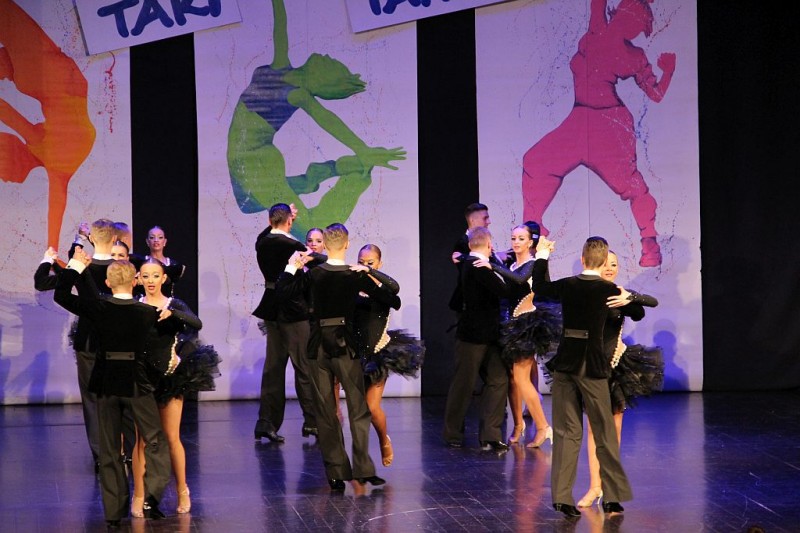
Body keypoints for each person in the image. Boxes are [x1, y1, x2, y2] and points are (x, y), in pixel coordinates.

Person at [227, 0, 405, 239]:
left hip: (257, 161)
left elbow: (327, 119)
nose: (327, 56)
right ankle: (318, 175)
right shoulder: (281, 65)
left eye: (331, 65)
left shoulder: (297, 93)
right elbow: (281, 25)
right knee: (247, 203)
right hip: (243, 159)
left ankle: (354, 177)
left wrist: (362, 150)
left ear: (322, 80)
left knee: (312, 230)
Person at [521, 0, 676, 267]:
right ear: (619, 14)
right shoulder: (599, 30)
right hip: (581, 119)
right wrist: (668, 71)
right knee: (536, 161)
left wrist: (669, 71)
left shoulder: (626, 50)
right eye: (631, 18)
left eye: (637, 24)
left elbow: (656, 93)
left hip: (608, 124)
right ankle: (532, 235)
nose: (632, 27)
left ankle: (649, 242)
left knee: (630, 184)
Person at [276, 223, 400, 490]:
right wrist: (369, 271)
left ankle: (336, 473)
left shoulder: (314, 274)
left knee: (325, 411)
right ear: (347, 244)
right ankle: (363, 469)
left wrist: (292, 266)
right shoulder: (354, 275)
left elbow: (282, 290)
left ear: (326, 244)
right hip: (346, 347)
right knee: (358, 409)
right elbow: (393, 295)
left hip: (318, 347)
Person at [54, 254, 171, 527]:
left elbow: (61, 295)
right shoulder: (147, 312)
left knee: (109, 449)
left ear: (107, 282)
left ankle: (113, 512)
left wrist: (75, 266)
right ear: (135, 282)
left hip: (106, 382)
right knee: (154, 439)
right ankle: (151, 497)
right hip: (136, 383)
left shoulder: (99, 307)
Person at [531, 236, 633, 517]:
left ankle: (562, 498)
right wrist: (630, 298)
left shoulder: (568, 285)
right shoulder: (608, 290)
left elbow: (539, 288)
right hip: (593, 368)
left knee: (566, 432)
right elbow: (637, 310)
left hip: (566, 365)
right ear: (602, 261)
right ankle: (611, 497)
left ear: (583, 259)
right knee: (604, 432)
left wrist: (542, 256)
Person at [130, 258, 220, 517]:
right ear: (138, 279)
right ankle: (139, 493)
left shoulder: (174, 304)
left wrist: (174, 315)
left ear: (163, 278)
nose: (150, 281)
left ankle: (182, 489)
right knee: (142, 440)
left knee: (171, 437)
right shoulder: (135, 305)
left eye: (155, 275)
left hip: (170, 378)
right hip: (142, 379)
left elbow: (196, 323)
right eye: (145, 276)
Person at [576, 250, 663, 507]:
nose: (610, 268)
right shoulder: (587, 292)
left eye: (614, 264)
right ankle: (595, 487)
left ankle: (610, 488)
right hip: (591, 368)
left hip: (616, 366)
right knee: (594, 429)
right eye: (605, 264)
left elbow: (645, 308)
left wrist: (630, 297)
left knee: (613, 431)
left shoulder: (618, 293)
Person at [475, 222, 561, 448]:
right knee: (514, 380)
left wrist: (492, 265)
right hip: (512, 325)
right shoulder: (512, 264)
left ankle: (543, 427)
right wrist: (492, 260)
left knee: (522, 379)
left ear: (530, 242)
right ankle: (518, 425)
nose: (516, 242)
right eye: (513, 238)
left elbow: (520, 279)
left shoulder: (532, 264)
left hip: (527, 325)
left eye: (521, 238)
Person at [253, 203, 318, 442]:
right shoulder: (294, 247)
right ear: (290, 221)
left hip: (272, 308)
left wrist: (281, 218)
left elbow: (264, 234)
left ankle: (266, 422)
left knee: (273, 368)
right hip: (293, 310)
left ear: (270, 221)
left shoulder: (263, 243)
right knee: (304, 367)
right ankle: (312, 422)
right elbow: (311, 270)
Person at [354, 244, 424, 467]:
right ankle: (359, 456)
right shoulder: (352, 284)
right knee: (357, 409)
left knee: (372, 407)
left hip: (378, 353)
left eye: (370, 262)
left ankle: (384, 440)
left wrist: (369, 273)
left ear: (379, 264)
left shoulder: (384, 289)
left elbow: (395, 293)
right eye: (361, 262)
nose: (365, 266)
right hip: (354, 353)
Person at [442, 227, 509, 451]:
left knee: (497, 380)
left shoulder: (468, 262)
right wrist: (495, 265)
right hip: (474, 336)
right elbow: (504, 290)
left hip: (486, 335)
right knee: (465, 384)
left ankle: (489, 435)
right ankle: (454, 434)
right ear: (489, 246)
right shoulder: (479, 266)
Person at [449, 203, 492, 313]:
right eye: (485, 218)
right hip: (470, 305)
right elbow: (471, 271)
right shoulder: (463, 243)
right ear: (473, 220)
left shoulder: (481, 240)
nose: (489, 222)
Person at [143, 226, 184, 297]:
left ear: (164, 241)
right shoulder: (141, 263)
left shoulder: (174, 265)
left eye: (160, 237)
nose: (156, 240)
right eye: (152, 237)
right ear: (147, 242)